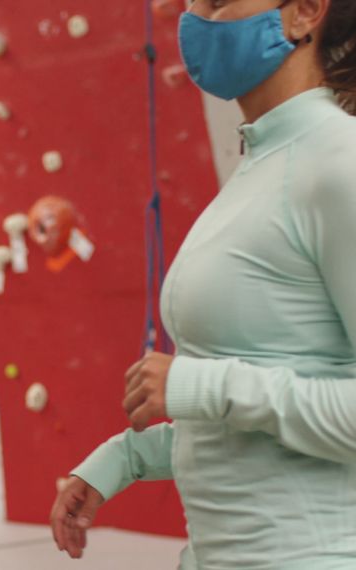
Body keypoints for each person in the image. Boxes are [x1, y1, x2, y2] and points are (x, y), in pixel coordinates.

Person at [48, 0, 356, 567]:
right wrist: (125, 459)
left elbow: (224, 391)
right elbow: (248, 419)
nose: (197, 18)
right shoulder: (260, 163)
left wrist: (203, 385)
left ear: (306, 12)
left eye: (218, 0)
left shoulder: (340, 162)